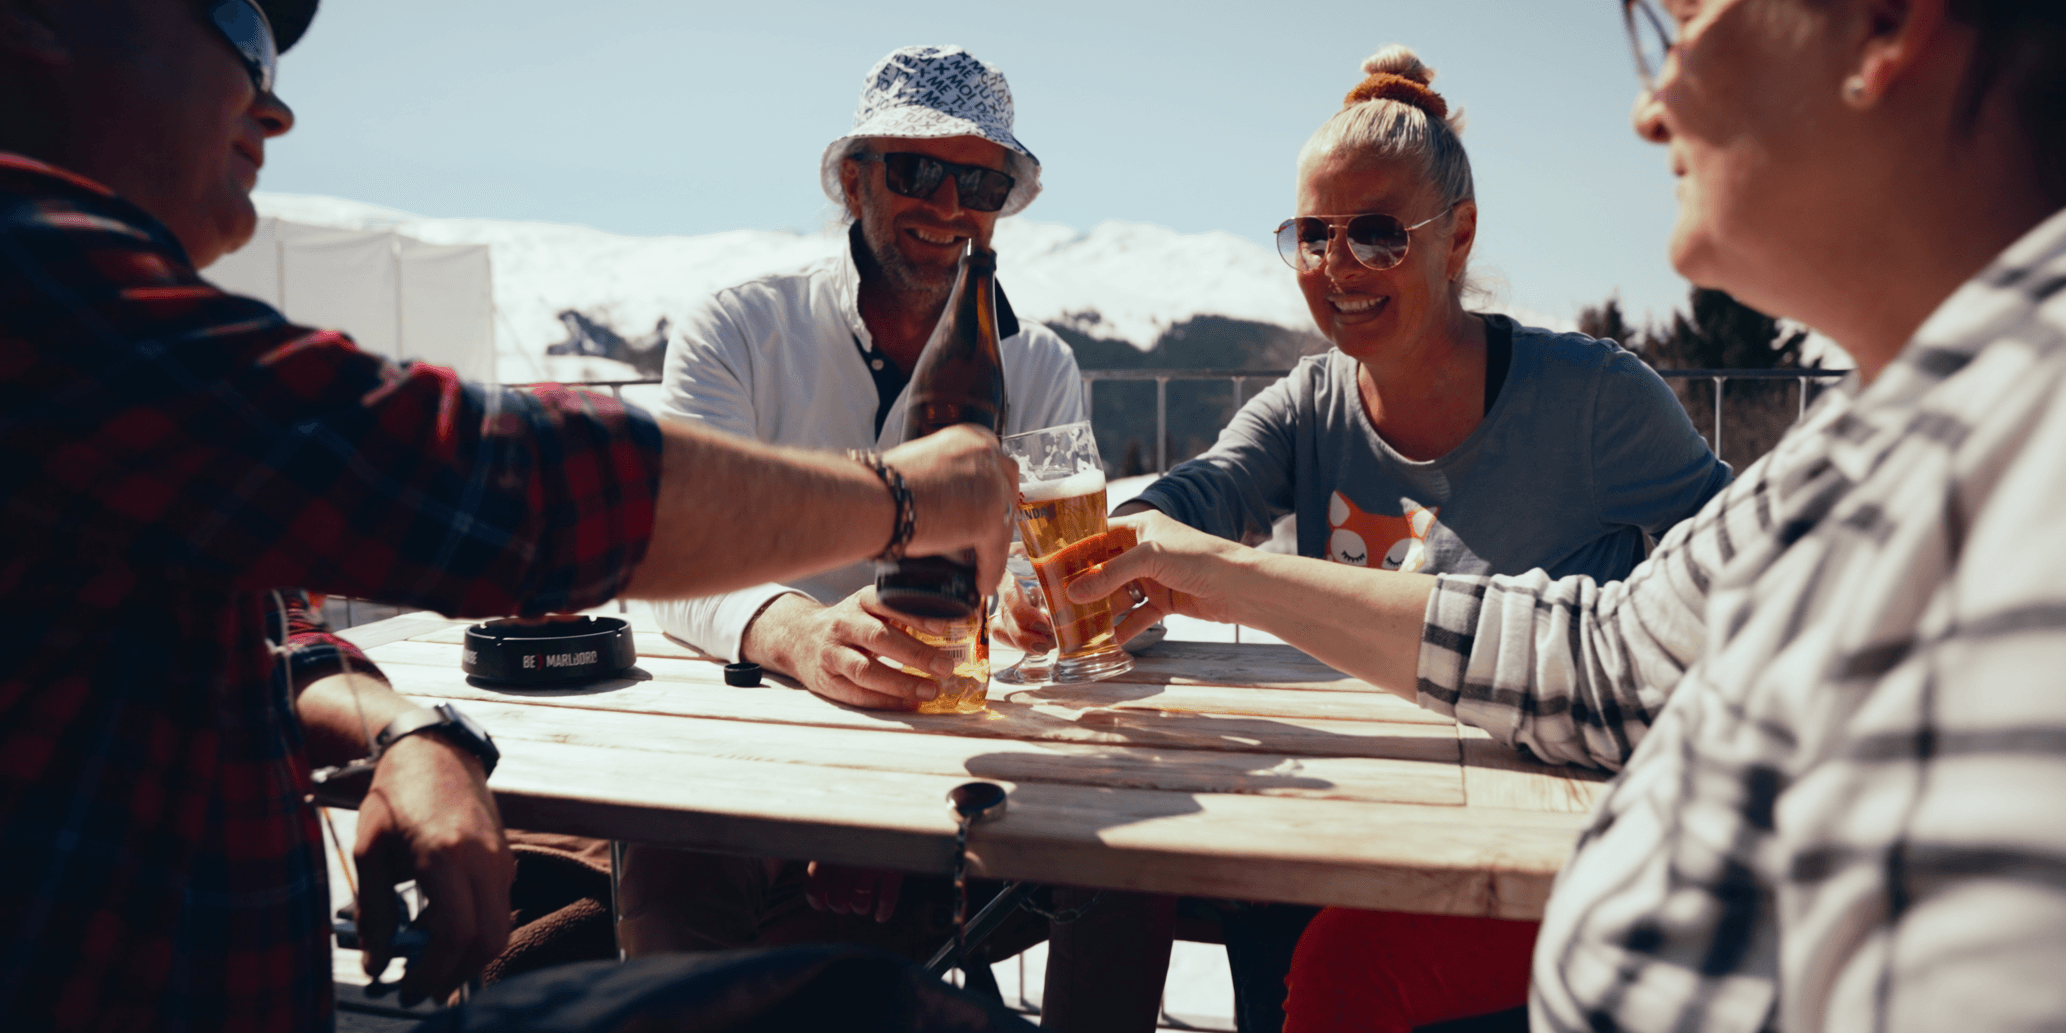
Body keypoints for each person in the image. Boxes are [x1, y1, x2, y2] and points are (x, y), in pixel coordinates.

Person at [0, 2, 1020, 1029]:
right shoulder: (34, 280)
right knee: (884, 1006)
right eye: (242, 35)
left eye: (977, 183)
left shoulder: (88, 335)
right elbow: (493, 484)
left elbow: (231, 631)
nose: (275, 110)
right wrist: (903, 498)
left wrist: (402, 726)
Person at [1066, 0, 2066, 1029]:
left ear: (1887, 27)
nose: (1646, 106)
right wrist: (1136, 550)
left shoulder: (2002, 460)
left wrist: (1223, 573)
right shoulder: (1870, 437)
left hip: (1495, 856)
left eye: (1679, 21)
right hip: (1375, 823)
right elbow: (1610, 656)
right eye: (1312, 236)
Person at [997, 44, 1729, 1033]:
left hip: (1545, 850)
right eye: (1311, 235)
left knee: (1334, 958)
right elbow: (1202, 494)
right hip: (1356, 811)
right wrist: (1087, 560)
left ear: (1456, 236)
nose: (1334, 268)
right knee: (1119, 868)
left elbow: (1746, 586)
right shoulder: (1309, 402)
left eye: (1376, 235)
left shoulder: (1598, 401)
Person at [613, 45, 1163, 1032]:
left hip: (952, 764)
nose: (949, 204)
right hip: (749, 759)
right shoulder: (740, 329)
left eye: (981, 181)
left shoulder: (1036, 363)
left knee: (1140, 851)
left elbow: (1032, 600)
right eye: (917, 170)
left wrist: (901, 784)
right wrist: (797, 635)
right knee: (675, 847)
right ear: (854, 179)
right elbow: (663, 559)